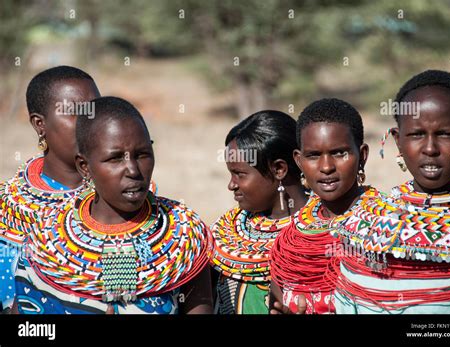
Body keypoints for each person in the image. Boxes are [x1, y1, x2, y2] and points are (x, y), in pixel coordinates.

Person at [14, 96, 213, 314]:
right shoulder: (46, 241)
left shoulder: (184, 238)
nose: (133, 170)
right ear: (84, 166)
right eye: (115, 158)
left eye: (142, 154)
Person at [334, 70, 450, 313]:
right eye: (417, 134)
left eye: (445, 134)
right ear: (398, 141)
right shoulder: (364, 221)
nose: (430, 149)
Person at [0, 65, 101, 312]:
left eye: (96, 112)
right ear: (39, 124)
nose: (91, 124)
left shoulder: (124, 199)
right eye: (75, 113)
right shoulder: (7, 210)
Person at [270, 98, 380, 314]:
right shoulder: (290, 240)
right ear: (299, 161)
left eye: (339, 153)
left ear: (362, 156)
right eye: (313, 156)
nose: (326, 167)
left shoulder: (387, 229)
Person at [209, 110, 308, 314]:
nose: (231, 185)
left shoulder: (323, 231)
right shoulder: (225, 232)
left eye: (239, 174)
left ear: (279, 169)